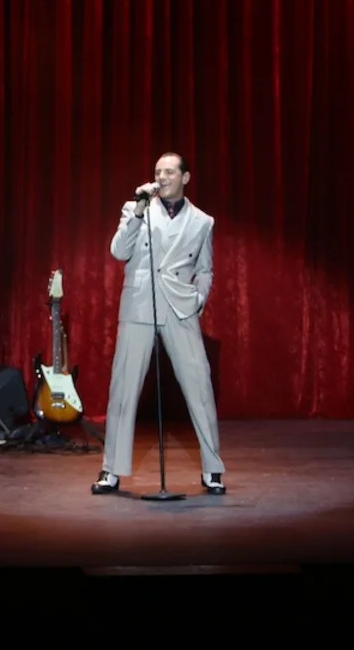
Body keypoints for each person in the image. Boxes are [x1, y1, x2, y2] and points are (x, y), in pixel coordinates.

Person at [91, 153, 226, 496]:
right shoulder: (136, 209)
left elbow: (206, 269)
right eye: (157, 172)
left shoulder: (202, 221)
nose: (162, 177)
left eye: (169, 172)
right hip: (139, 302)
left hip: (179, 306)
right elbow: (119, 251)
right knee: (123, 388)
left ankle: (212, 469)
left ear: (185, 177)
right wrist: (138, 210)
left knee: (199, 385)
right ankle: (111, 469)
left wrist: (198, 299)